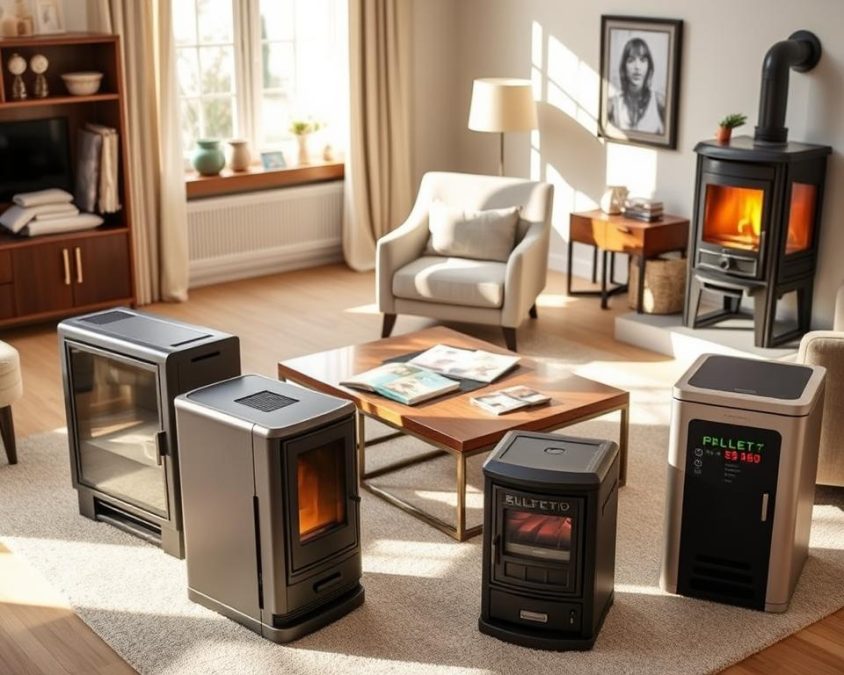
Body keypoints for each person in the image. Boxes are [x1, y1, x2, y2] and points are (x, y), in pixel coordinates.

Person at [607, 37, 665, 134]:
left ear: (649, 66)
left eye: (642, 60)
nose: (637, 67)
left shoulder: (660, 102)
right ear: (624, 67)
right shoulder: (612, 104)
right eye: (631, 60)